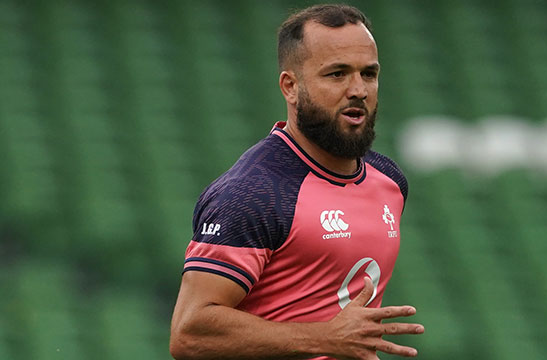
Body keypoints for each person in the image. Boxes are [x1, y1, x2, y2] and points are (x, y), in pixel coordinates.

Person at [170, 4, 424, 359]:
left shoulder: (390, 181)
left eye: (368, 74)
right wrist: (326, 339)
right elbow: (190, 334)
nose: (358, 90)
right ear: (290, 87)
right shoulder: (252, 193)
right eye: (336, 74)